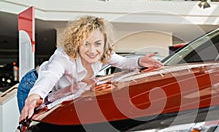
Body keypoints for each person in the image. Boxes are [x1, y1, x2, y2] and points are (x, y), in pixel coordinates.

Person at [18, 16, 163, 122]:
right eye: (86, 44)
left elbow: (124, 63)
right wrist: (34, 96)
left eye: (98, 44)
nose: (92, 50)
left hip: (59, 93)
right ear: (77, 44)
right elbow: (50, 76)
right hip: (34, 84)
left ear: (104, 43)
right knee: (30, 127)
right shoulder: (64, 57)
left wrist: (140, 61)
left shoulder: (104, 54)